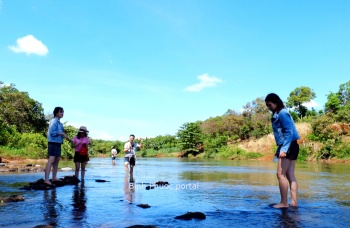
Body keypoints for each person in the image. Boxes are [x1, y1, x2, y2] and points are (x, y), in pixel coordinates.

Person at [265, 93, 300, 208]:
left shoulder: (282, 113)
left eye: (270, 105)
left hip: (288, 146)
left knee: (280, 174)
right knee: (290, 175)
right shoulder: (281, 113)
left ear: (275, 102)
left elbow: (289, 132)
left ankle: (284, 203)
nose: (269, 108)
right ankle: (294, 202)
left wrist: (283, 149)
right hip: (292, 145)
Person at [44, 107, 71, 185]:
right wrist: (62, 133)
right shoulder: (53, 121)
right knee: (51, 159)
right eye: (60, 112)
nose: (62, 113)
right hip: (52, 142)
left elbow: (60, 133)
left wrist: (65, 136)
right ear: (56, 113)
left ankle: (54, 177)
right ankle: (46, 180)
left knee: (57, 160)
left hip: (58, 143)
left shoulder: (60, 123)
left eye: (62, 112)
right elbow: (52, 132)